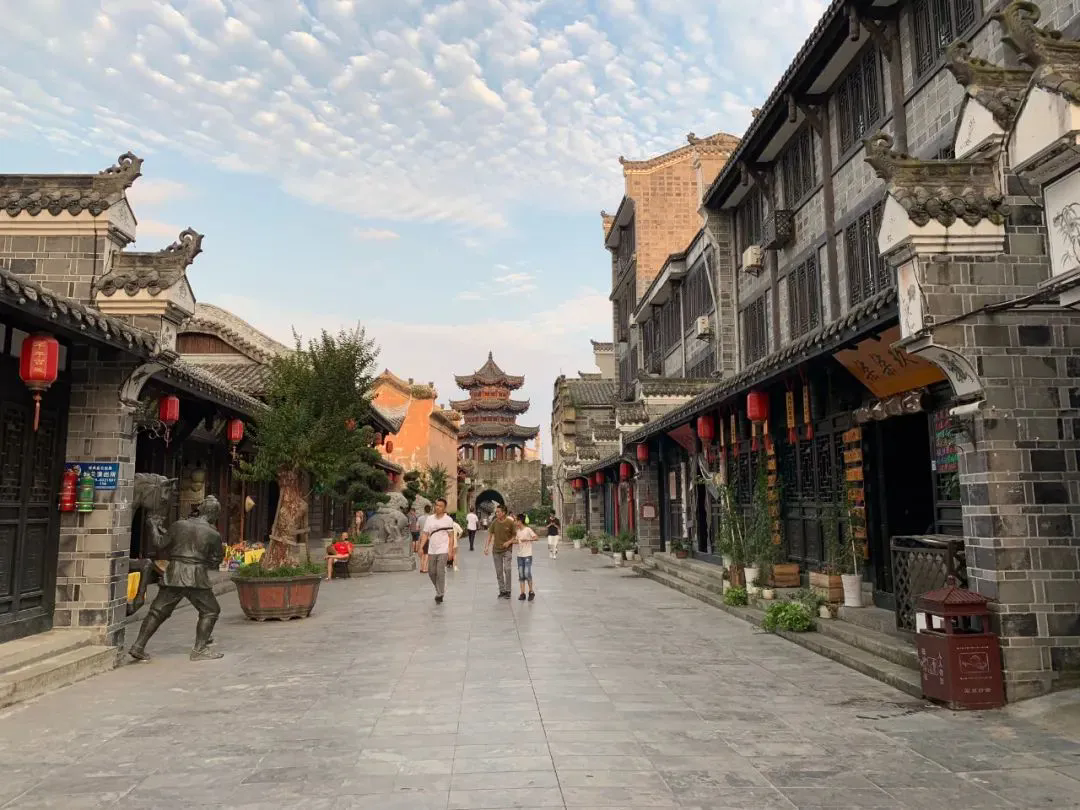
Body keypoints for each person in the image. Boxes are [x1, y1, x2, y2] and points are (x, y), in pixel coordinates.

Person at [128, 496, 225, 662]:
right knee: (210, 610)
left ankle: (138, 646)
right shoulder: (213, 534)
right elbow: (216, 560)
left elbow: (159, 543)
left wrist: (153, 526)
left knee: (157, 611)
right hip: (196, 576)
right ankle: (200, 649)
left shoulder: (178, 525)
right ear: (214, 515)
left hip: (173, 573)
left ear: (200, 510)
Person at [419, 497, 459, 604]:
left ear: (444, 508)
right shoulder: (430, 519)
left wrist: (450, 550)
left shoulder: (448, 520)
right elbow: (425, 533)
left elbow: (451, 536)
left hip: (443, 549)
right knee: (431, 572)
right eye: (436, 505)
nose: (437, 507)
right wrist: (421, 547)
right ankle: (439, 589)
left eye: (440, 506)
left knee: (440, 571)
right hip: (432, 549)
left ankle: (440, 594)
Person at [484, 504, 516, 599]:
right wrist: (486, 547)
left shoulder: (510, 522)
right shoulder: (494, 522)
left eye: (498, 512)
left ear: (504, 512)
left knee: (507, 569)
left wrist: (509, 542)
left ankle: (508, 590)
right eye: (496, 512)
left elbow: (514, 536)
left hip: (507, 550)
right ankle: (502, 590)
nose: (497, 513)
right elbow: (490, 535)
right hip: (496, 551)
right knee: (499, 571)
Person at [514, 513, 538, 601]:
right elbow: (517, 540)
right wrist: (511, 542)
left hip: (527, 554)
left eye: (516, 520)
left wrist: (527, 539)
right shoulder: (518, 531)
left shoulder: (528, 529)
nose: (515, 522)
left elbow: (536, 537)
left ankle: (531, 592)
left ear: (520, 521)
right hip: (519, 555)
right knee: (521, 574)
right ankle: (522, 593)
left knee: (527, 573)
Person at [418, 504, 434, 573]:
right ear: (430, 510)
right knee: (427, 553)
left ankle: (421, 568)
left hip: (421, 537)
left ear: (424, 510)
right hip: (428, 538)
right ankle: (425, 568)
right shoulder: (431, 518)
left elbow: (417, 528)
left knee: (422, 553)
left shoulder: (420, 518)